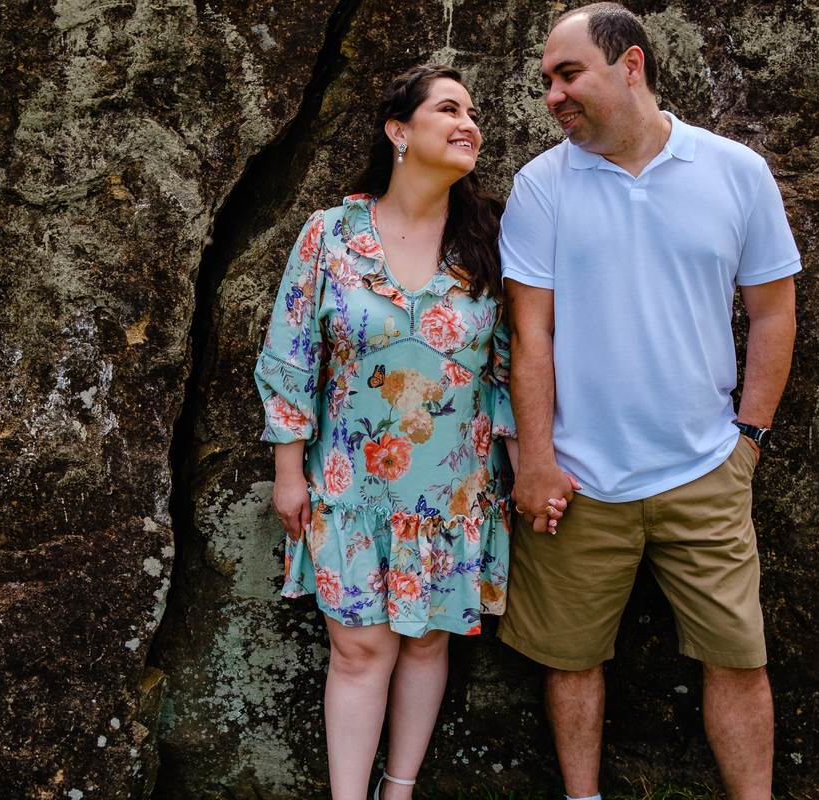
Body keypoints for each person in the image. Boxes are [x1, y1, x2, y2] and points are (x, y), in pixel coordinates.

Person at [497, 4, 800, 800]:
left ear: (630, 64)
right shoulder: (541, 185)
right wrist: (537, 461)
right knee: (571, 659)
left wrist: (750, 438)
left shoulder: (736, 172)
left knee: (739, 658)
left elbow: (774, 312)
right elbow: (530, 336)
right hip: (577, 481)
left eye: (569, 75)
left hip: (706, 469)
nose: (553, 96)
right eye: (547, 81)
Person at [255, 65, 518, 800]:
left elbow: (509, 369)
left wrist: (526, 465)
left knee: (427, 642)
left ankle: (398, 792)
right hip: (350, 490)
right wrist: (288, 471)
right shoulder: (331, 234)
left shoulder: (489, 240)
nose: (469, 123)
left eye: (473, 112)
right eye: (449, 109)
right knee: (359, 650)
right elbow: (290, 355)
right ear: (399, 132)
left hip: (451, 495)